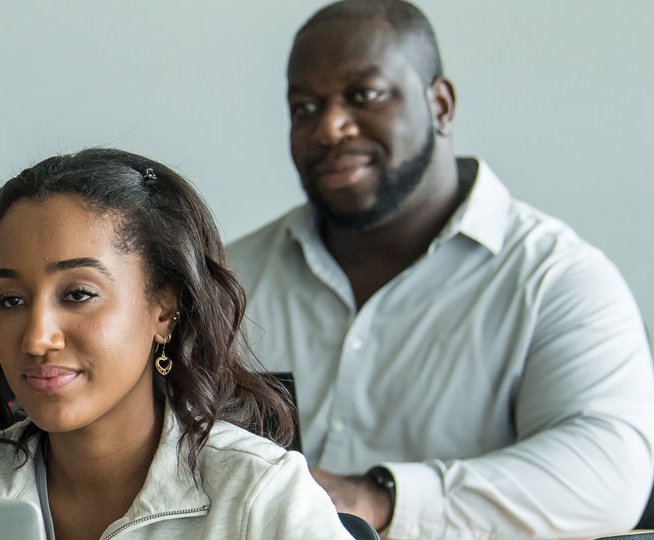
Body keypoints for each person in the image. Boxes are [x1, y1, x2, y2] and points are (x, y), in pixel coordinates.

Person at [229, 1, 654, 537]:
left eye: (364, 95)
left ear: (442, 105)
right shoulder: (228, 277)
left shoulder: (557, 279)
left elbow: (608, 477)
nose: (330, 128)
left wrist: (376, 498)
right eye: (305, 107)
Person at [0, 148, 350, 540]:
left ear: (163, 311)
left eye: (78, 294)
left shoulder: (258, 497)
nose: (38, 338)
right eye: (11, 300)